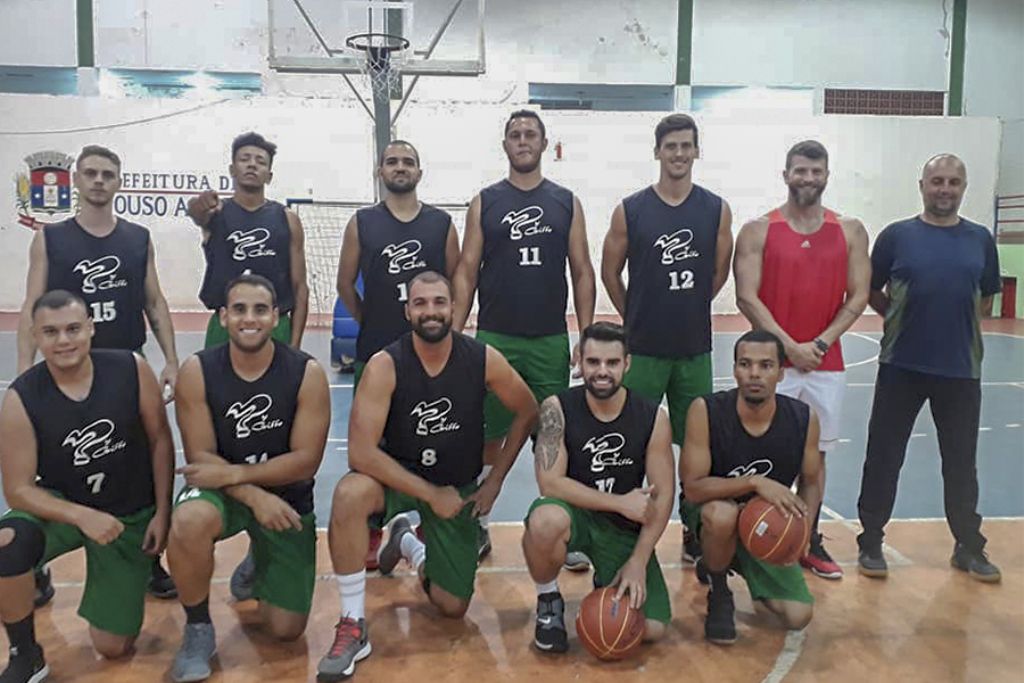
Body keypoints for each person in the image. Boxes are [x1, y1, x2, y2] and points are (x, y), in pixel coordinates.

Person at [317, 271, 537, 681]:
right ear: (408, 311)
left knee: (452, 606)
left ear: (454, 308)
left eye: (439, 302)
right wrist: (428, 494)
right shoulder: (386, 365)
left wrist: (495, 482)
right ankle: (351, 623)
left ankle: (405, 543)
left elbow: (528, 411)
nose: (431, 311)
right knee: (349, 494)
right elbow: (362, 453)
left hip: (457, 486)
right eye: (421, 303)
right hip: (396, 480)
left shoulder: (482, 358)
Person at [15, 144, 179, 603]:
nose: (99, 180)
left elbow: (154, 300)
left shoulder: (137, 237)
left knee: (139, 461)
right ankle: (38, 560)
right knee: (53, 464)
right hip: (62, 369)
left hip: (125, 367)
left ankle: (148, 557)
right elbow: (31, 306)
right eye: (90, 173)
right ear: (78, 180)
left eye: (108, 173)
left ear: (118, 180)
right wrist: (25, 372)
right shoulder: (50, 239)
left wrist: (170, 360)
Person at [0, 290, 174, 682]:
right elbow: (18, 490)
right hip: (67, 507)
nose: (63, 341)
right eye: (51, 332)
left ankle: (133, 575)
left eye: (73, 329)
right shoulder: (22, 397)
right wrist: (82, 515)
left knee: (112, 646)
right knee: (8, 543)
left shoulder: (131, 369)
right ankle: (26, 654)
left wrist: (163, 512)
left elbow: (161, 440)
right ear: (36, 336)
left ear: (91, 328)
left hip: (129, 515)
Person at [166, 274, 330, 683]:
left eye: (260, 309)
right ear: (223, 317)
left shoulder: (306, 373)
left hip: (286, 496)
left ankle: (261, 559)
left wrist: (240, 475)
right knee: (187, 521)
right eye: (239, 309)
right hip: (223, 493)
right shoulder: (197, 371)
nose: (249, 318)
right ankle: (198, 628)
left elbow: (306, 461)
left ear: (276, 317)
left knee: (286, 630)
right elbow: (201, 458)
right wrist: (254, 495)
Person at [452, 109, 595, 567]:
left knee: (551, 431)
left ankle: (559, 524)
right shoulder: (485, 202)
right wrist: (456, 331)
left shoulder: (566, 202)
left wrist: (586, 333)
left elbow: (582, 270)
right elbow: (466, 269)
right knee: (488, 434)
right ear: (505, 145)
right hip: (496, 336)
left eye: (530, 133)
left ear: (544, 142)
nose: (522, 140)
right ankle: (479, 522)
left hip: (550, 337)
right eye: (514, 134)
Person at [856, 154, 1001, 583]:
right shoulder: (897, 236)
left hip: (960, 371)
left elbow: (986, 300)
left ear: (963, 187)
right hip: (901, 365)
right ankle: (870, 540)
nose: (945, 188)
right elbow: (872, 291)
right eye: (937, 180)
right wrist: (903, 318)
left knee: (960, 463)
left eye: (953, 182)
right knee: (884, 456)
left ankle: (968, 546)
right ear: (922, 185)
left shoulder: (980, 239)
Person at [733, 140, 870, 580]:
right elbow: (746, 296)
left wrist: (821, 343)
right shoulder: (758, 229)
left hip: (825, 366)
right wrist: (789, 347)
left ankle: (806, 541)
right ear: (786, 174)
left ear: (826, 175)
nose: (807, 178)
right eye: (800, 171)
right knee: (756, 451)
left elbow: (859, 295)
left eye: (815, 171)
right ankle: (747, 539)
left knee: (815, 460)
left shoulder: (850, 230)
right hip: (772, 363)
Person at [601, 113, 733, 562]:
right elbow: (609, 271)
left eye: (686, 145)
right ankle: (622, 523)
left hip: (693, 348)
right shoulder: (631, 208)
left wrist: (690, 305)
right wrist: (635, 314)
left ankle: (694, 529)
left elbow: (718, 273)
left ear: (698, 151)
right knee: (631, 439)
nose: (679, 153)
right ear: (657, 151)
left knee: (697, 445)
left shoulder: (716, 208)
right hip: (643, 348)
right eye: (671, 146)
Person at [336, 140, 461, 570]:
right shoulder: (362, 223)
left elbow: (455, 287)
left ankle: (428, 525)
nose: (400, 167)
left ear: (420, 172)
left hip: (429, 358)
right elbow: (344, 284)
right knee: (373, 448)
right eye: (392, 161)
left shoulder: (441, 224)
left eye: (409, 161)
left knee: (435, 438)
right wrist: (372, 319)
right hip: (377, 355)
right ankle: (373, 531)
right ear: (380, 171)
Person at [522, 322, 674, 653]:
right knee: (545, 520)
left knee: (651, 629)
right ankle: (548, 599)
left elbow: (662, 495)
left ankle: (605, 581)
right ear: (580, 361)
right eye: (593, 362)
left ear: (627, 363)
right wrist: (619, 502)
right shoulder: (556, 408)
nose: (602, 372)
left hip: (621, 531)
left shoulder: (653, 418)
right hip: (573, 516)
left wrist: (639, 559)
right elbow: (550, 483)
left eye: (612, 363)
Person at [681, 329, 821, 644]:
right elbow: (693, 489)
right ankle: (719, 588)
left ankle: (735, 561)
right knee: (722, 516)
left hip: (764, 525)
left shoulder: (802, 418)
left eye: (765, 365)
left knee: (798, 615)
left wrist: (805, 531)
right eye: (745, 364)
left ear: (781, 373)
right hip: (713, 512)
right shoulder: (706, 411)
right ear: (734, 370)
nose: (754, 373)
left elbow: (811, 482)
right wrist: (755, 482)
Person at [186, 132, 309, 349]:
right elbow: (196, 212)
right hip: (226, 323)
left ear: (269, 176)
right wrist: (199, 203)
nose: (252, 165)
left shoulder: (287, 219)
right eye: (244, 159)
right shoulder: (215, 212)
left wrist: (295, 344)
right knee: (217, 382)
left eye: (260, 161)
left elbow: (300, 287)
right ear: (232, 169)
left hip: (275, 324)